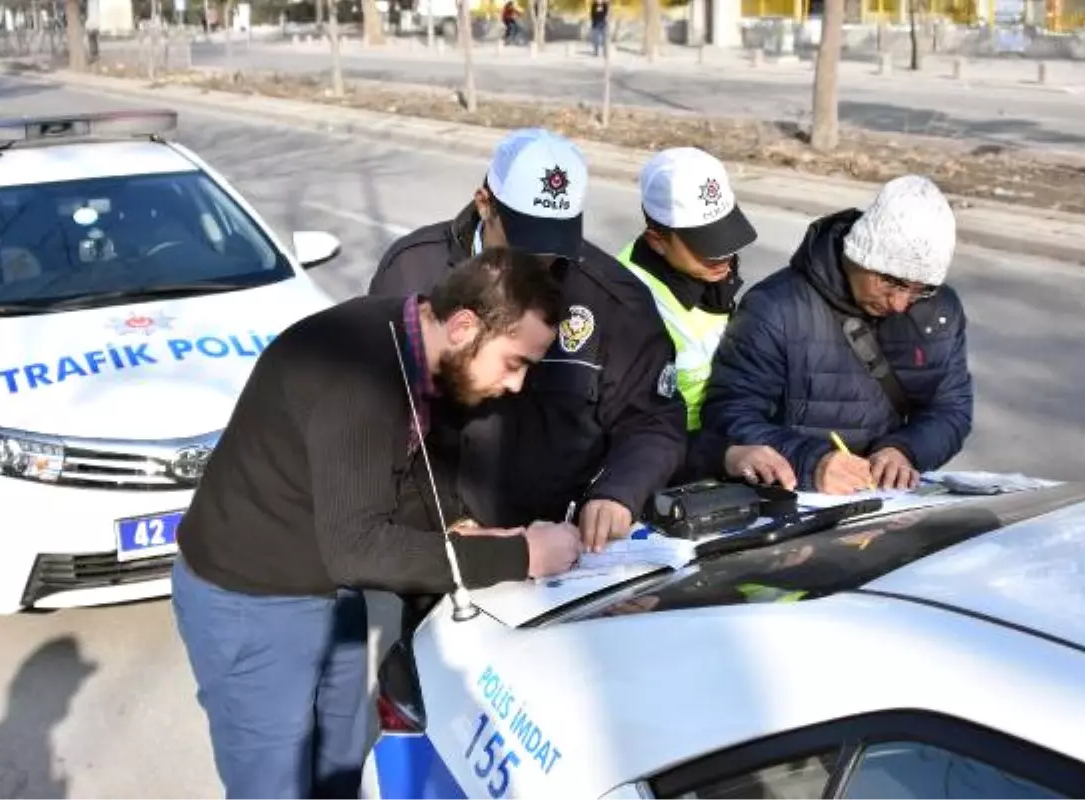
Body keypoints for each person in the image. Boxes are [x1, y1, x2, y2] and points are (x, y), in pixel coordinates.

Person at [171, 247, 582, 800]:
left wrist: (462, 529)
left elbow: (384, 481)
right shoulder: (362, 375)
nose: (517, 386)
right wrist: (520, 557)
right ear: (464, 326)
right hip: (252, 600)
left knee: (341, 761)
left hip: (323, 581)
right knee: (275, 783)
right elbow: (359, 548)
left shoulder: (407, 344)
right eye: (516, 362)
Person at [368, 127, 687, 553]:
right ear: (485, 203)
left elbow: (652, 420)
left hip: (569, 548)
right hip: (449, 545)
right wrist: (446, 526)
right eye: (523, 241)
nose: (538, 260)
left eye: (553, 241)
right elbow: (376, 424)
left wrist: (618, 492)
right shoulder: (412, 274)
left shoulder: (612, 299)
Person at [701, 174, 973, 495]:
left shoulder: (938, 311)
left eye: (920, 290)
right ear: (859, 255)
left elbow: (950, 410)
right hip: (800, 499)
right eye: (892, 282)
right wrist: (811, 463)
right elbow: (730, 415)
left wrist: (905, 450)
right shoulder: (775, 308)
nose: (901, 304)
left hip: (883, 503)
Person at [618, 146, 797, 489]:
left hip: (724, 454)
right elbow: (633, 432)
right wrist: (725, 454)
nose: (724, 256)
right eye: (705, 244)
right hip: (668, 474)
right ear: (658, 240)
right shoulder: (626, 302)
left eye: (726, 236)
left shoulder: (710, 277)